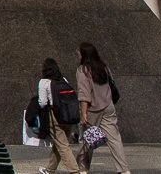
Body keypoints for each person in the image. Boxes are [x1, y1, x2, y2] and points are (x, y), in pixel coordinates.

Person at [76, 41, 128, 174]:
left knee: (86, 139)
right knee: (115, 139)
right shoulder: (103, 67)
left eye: (78, 51)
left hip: (93, 109)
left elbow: (84, 94)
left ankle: (82, 168)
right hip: (108, 105)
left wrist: (83, 114)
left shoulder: (82, 70)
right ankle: (123, 170)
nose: (77, 53)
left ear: (83, 54)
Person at [33, 57, 82, 174]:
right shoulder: (63, 80)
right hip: (68, 115)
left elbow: (43, 102)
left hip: (54, 116)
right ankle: (50, 170)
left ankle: (75, 172)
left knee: (63, 146)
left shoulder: (44, 82)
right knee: (59, 144)